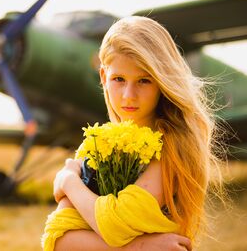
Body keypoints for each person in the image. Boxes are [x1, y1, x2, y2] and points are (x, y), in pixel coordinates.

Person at [42, 16, 227, 250]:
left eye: (144, 81)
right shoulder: (97, 145)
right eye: (119, 79)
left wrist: (68, 181)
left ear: (162, 81)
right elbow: (58, 240)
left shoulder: (173, 145)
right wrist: (140, 247)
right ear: (103, 77)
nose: (129, 95)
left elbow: (116, 223)